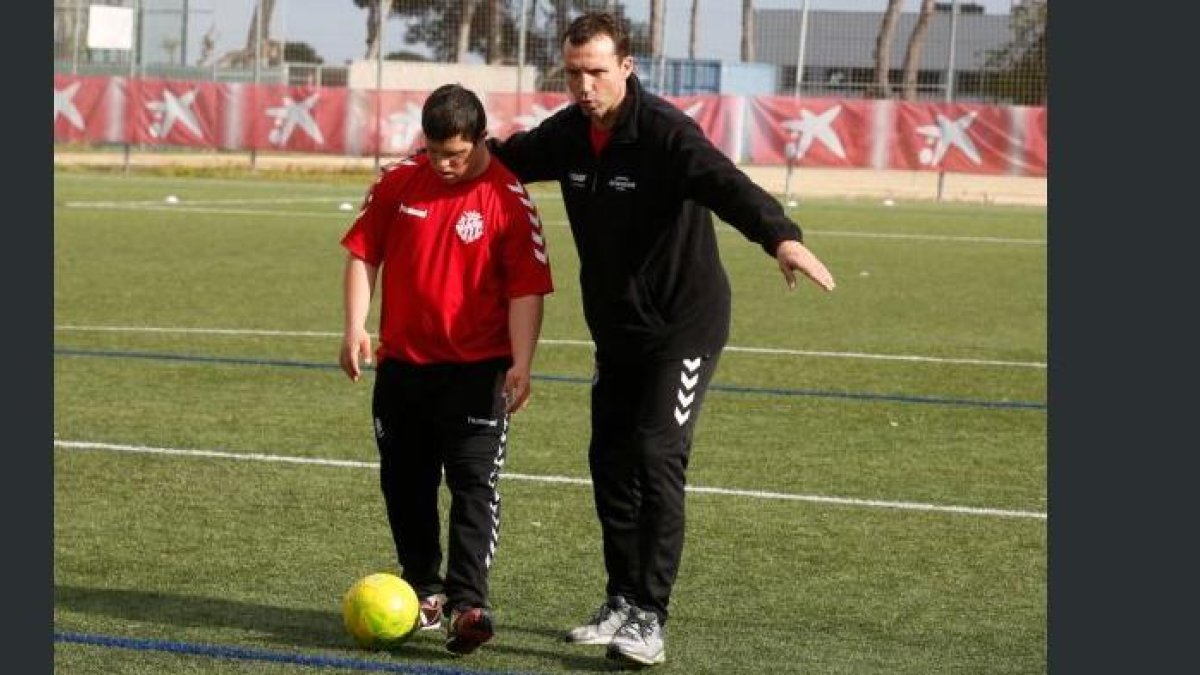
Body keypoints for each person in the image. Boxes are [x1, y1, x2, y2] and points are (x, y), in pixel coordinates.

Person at [488, 12, 835, 667]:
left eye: (596, 71)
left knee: (655, 454)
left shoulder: (666, 134)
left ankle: (650, 613)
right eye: (572, 73)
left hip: (683, 328)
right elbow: (502, 160)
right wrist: (432, 160)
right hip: (617, 331)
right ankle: (620, 598)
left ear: (626, 67)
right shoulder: (568, 134)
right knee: (609, 460)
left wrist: (780, 237)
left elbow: (727, 184)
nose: (583, 86)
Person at [338, 83, 553, 656]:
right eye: (434, 152)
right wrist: (355, 326)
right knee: (404, 483)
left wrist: (523, 362)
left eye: (455, 154)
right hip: (403, 369)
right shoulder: (399, 181)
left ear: (480, 140)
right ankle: (422, 589)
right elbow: (363, 253)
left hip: (478, 372)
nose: (444, 164)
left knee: (473, 485)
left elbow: (527, 289)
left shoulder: (508, 198)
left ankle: (468, 604)